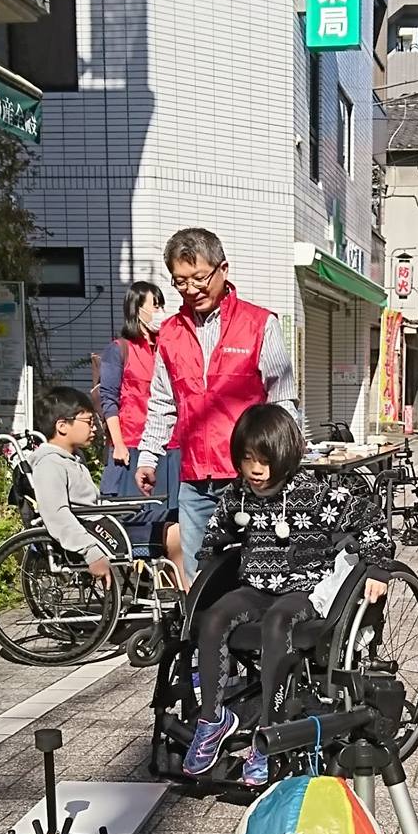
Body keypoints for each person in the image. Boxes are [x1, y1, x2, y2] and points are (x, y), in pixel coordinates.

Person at [182, 404, 394, 787]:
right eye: (248, 460)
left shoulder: (312, 494)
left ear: (286, 456)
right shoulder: (239, 496)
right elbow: (217, 533)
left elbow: (368, 518)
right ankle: (213, 720)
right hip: (255, 586)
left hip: (304, 587)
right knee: (212, 618)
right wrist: (208, 561)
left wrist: (377, 567)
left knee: (279, 624)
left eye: (265, 460)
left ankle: (270, 730)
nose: (256, 470)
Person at [136, 229, 297, 579]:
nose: (191, 290)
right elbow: (163, 402)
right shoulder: (171, 334)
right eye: (180, 282)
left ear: (223, 269)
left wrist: (284, 463)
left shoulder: (259, 324)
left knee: (256, 573)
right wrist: (148, 457)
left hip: (250, 477)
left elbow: (282, 401)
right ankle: (205, 634)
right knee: (200, 578)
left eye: (199, 278)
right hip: (195, 481)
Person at [23, 386, 179, 588]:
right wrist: (90, 552)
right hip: (96, 533)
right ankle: (191, 606)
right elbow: (56, 515)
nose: (95, 427)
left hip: (105, 521)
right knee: (175, 533)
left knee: (178, 515)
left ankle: (180, 597)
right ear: (62, 426)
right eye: (88, 422)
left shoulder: (73, 458)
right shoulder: (50, 464)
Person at [97, 281, 182, 508]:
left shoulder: (167, 349)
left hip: (168, 443)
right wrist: (119, 444)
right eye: (155, 306)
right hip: (132, 444)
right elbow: (109, 400)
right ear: (137, 309)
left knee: (169, 514)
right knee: (136, 513)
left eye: (162, 305)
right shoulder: (119, 349)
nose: (160, 312)